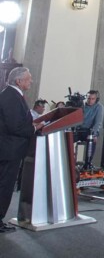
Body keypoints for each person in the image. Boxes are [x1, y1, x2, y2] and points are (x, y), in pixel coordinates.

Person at [0, 67, 42, 233]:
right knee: (4, 186)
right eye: (28, 78)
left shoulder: (11, 94)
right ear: (19, 81)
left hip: (9, 149)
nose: (31, 81)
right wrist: (34, 128)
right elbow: (15, 126)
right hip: (9, 150)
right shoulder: (11, 96)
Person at [80, 90, 104, 159]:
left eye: (93, 99)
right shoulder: (82, 105)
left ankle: (88, 162)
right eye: (89, 98)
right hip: (79, 130)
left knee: (92, 140)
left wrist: (94, 134)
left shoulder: (99, 107)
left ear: (96, 99)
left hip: (89, 131)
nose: (90, 101)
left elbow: (98, 122)